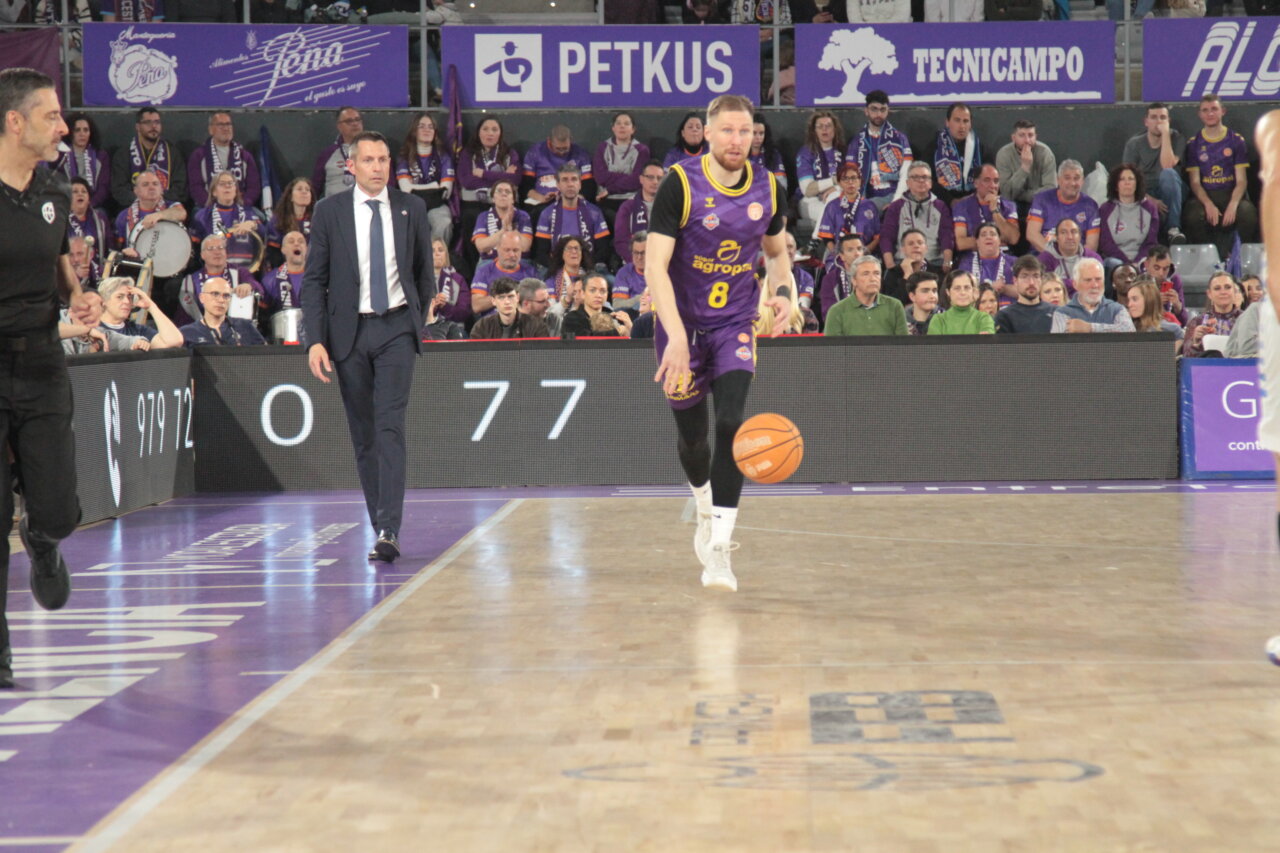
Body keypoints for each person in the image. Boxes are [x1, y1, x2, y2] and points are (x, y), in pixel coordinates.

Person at [648, 94, 789, 593]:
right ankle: (704, 502)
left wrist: (786, 292)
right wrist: (676, 339)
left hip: (735, 323)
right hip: (681, 325)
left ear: (755, 135)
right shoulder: (680, 184)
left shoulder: (770, 188)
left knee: (732, 422)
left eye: (745, 131)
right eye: (727, 131)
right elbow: (654, 268)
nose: (737, 140)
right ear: (706, 134)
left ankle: (721, 549)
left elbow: (776, 254)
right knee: (693, 439)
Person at [0, 69, 96, 688]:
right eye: (51, 116)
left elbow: (64, 271)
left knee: (61, 507)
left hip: (40, 363)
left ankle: (42, 536)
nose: (63, 127)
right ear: (14, 122)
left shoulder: (56, 189)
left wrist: (81, 298)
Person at [302, 130, 434, 563]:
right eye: (370, 160)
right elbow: (315, 281)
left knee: (389, 426)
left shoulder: (412, 208)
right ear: (352, 166)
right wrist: (315, 340)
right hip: (349, 335)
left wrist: (421, 313)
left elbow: (422, 271)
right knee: (364, 437)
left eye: (384, 159)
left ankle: (390, 529)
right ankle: (381, 522)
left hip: (396, 327)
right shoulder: (328, 212)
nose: (378, 167)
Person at [1184, 93, 1259, 259]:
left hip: (1230, 193)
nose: (1210, 113)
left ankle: (1235, 257)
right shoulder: (1194, 143)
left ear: (1222, 111)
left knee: (1247, 212)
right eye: (1205, 110)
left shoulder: (1236, 140)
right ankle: (1206, 259)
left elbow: (1241, 181)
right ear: (1200, 114)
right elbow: (1195, 183)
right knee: (1192, 214)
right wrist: (1208, 204)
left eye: (1214, 109)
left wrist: (1233, 204)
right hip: (1205, 195)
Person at [1121, 102, 1187, 244]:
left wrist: (1165, 135)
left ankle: (1173, 229)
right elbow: (1127, 179)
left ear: (1168, 121)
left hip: (1171, 190)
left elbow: (1167, 165)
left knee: (1168, 174)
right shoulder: (1134, 144)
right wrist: (1148, 198)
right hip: (1144, 192)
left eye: (1163, 117)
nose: (1158, 122)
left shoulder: (1177, 139)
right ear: (1146, 121)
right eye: (1154, 117)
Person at [880, 160, 954, 273]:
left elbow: (947, 236)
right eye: (915, 177)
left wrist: (948, 262)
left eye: (925, 177)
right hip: (902, 261)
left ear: (931, 183)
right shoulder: (896, 207)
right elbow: (886, 237)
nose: (921, 181)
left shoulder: (941, 206)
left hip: (934, 262)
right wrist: (890, 266)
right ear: (908, 182)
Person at [395, 112, 455, 246]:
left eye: (430, 127)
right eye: (421, 126)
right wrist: (434, 186)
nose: (426, 130)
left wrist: (416, 188)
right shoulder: (404, 155)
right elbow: (406, 189)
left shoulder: (444, 157)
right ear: (414, 131)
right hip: (411, 203)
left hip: (437, 204)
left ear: (435, 132)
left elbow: (446, 192)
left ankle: (434, 260)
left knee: (444, 223)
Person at [845, 90, 911, 211]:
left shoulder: (900, 139)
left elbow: (906, 174)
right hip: (865, 198)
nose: (878, 114)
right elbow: (849, 174)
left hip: (896, 195)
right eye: (874, 109)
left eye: (883, 110)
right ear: (866, 111)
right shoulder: (856, 142)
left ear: (888, 111)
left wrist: (896, 202)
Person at [189, 171, 267, 271]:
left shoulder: (249, 213)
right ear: (214, 192)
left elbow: (264, 235)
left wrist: (253, 225)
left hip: (247, 271)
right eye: (222, 184)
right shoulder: (202, 216)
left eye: (231, 183)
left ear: (236, 190)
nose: (227, 186)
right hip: (215, 272)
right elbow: (194, 250)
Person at [178, 234, 263, 325]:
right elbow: (184, 317)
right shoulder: (190, 281)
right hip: (202, 331)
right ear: (202, 255)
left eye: (220, 248)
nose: (217, 252)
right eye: (211, 249)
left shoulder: (239, 273)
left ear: (226, 252)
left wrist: (249, 285)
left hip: (236, 329)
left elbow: (260, 290)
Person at [533, 165, 609, 266]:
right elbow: (542, 252)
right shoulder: (547, 214)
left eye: (574, 179)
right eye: (565, 180)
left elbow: (603, 250)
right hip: (557, 267)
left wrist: (583, 268)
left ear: (580, 184)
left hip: (588, 267)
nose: (570, 184)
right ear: (558, 185)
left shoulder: (594, 212)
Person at [111, 107, 184, 209]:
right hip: (132, 208)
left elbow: (180, 187)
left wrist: (158, 199)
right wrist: (143, 202)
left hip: (165, 208)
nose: (153, 126)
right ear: (138, 126)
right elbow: (119, 189)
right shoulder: (123, 154)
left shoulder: (172, 153)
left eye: (157, 122)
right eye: (148, 122)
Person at [187, 111, 262, 209]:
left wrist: (242, 204)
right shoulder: (199, 156)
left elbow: (254, 188)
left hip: (240, 206)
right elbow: (195, 187)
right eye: (220, 125)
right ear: (211, 130)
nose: (226, 128)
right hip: (207, 207)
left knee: (261, 218)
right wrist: (213, 206)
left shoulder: (244, 156)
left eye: (228, 124)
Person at [1026, 160, 1101, 254]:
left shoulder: (1091, 205)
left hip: (1077, 257)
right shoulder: (1042, 199)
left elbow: (1091, 245)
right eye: (1067, 178)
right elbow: (1032, 234)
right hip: (1043, 254)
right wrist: (1056, 256)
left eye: (1076, 178)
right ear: (1058, 180)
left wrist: (1071, 260)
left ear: (1082, 181)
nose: (1072, 183)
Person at [822, 255, 908, 336]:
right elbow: (833, 350)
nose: (873, 279)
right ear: (854, 280)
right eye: (866, 274)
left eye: (876, 273)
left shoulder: (895, 306)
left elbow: (903, 346)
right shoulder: (837, 311)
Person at [1098, 163, 1160, 272]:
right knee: (1114, 265)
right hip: (1115, 260)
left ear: (1137, 184)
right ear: (1116, 185)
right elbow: (1105, 243)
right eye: (1122, 179)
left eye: (1131, 179)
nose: (1127, 182)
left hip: (1142, 260)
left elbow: (1151, 242)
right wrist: (1127, 264)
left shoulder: (1150, 208)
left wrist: (1137, 262)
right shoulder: (1105, 209)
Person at [1050, 257, 1135, 333]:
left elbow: (1129, 332)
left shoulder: (1117, 309)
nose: (1095, 285)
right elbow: (1057, 347)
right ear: (1075, 284)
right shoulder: (1062, 313)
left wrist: (1090, 328)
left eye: (1098, 279)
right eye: (1088, 280)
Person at [816, 162, 880, 261]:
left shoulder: (870, 206)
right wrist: (839, 256)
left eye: (854, 178)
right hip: (839, 256)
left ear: (860, 181)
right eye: (845, 179)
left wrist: (865, 252)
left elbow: (877, 237)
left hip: (865, 256)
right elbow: (827, 238)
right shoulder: (832, 206)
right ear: (839, 182)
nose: (850, 182)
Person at [96, 276, 184, 348]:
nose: (127, 301)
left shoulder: (138, 330)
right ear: (103, 300)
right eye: (120, 297)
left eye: (130, 297)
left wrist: (151, 306)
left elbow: (175, 341)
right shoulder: (92, 329)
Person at [180, 276, 268, 347]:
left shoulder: (245, 326)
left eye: (226, 296)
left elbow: (266, 358)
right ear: (202, 298)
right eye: (215, 294)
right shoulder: (187, 333)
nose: (221, 300)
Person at [995, 119, 1057, 214]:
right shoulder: (1004, 154)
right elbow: (1007, 194)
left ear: (1036, 137)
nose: (1027, 140)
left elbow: (1050, 190)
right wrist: (1024, 168)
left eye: (1030, 135)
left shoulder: (1045, 153)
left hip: (1040, 204)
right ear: (1013, 138)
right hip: (1012, 204)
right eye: (1022, 135)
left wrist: (1022, 195)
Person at [523, 124, 594, 208]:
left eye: (565, 148)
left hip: (572, 201)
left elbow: (588, 186)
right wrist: (542, 198)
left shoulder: (581, 154)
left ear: (570, 140)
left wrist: (573, 198)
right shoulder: (535, 152)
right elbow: (525, 185)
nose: (562, 152)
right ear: (549, 141)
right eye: (558, 149)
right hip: (541, 201)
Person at [926, 102, 983, 206]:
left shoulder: (979, 149)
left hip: (974, 203)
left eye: (966, 121)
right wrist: (951, 201)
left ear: (970, 124)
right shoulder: (935, 147)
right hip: (941, 204)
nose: (962, 126)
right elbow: (927, 179)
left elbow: (988, 179)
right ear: (947, 122)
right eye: (957, 120)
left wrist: (972, 199)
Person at [953, 163, 1018, 252]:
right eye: (987, 180)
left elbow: (1013, 238)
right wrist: (995, 240)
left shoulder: (1009, 206)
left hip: (1004, 256)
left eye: (996, 181)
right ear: (976, 183)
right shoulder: (962, 206)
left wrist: (995, 210)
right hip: (973, 257)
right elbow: (960, 243)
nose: (993, 186)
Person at [592, 112, 650, 214]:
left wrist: (610, 189)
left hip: (631, 200)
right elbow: (601, 177)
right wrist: (627, 177)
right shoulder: (603, 147)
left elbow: (637, 180)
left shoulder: (642, 150)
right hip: (605, 199)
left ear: (633, 129)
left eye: (626, 124)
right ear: (613, 128)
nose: (622, 126)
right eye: (618, 123)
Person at [796, 110, 845, 227]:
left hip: (838, 197)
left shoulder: (843, 151)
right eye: (820, 126)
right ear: (814, 131)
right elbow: (807, 189)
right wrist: (834, 181)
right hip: (810, 201)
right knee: (830, 214)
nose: (824, 129)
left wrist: (837, 188)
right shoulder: (806, 153)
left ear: (835, 129)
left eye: (828, 126)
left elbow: (853, 182)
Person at [472, 230, 537, 316]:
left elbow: (538, 304)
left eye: (516, 250)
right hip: (493, 323)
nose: (512, 255)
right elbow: (477, 306)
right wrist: (506, 294)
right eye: (507, 250)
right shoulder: (484, 271)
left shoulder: (531, 272)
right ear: (498, 249)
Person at [52, 112, 109, 208]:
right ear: (70, 133)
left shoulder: (100, 156)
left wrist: (90, 204)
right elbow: (56, 184)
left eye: (86, 130)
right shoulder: (60, 156)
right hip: (65, 206)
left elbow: (103, 187)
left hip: (94, 206)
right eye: (77, 130)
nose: (82, 134)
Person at [470, 179, 531, 264]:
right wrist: (504, 230)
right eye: (499, 191)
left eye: (508, 191)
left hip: (518, 261)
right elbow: (481, 247)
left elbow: (525, 247)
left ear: (513, 199)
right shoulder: (483, 216)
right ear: (493, 199)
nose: (503, 194)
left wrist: (511, 227)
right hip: (489, 261)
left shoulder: (523, 216)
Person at [1037, 218, 1103, 296]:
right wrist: (1076, 283)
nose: (1070, 237)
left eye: (1074, 232)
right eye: (1064, 232)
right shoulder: (1045, 259)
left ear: (1079, 236)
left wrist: (1064, 282)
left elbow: (1095, 285)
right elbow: (1047, 286)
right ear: (1057, 238)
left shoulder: (1093, 258)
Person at [1183, 271, 1243, 357]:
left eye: (1228, 287)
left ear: (1234, 291)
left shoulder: (1246, 320)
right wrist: (1195, 343)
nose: (1223, 292)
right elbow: (1187, 361)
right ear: (1209, 294)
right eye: (1217, 288)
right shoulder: (1197, 322)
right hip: (1207, 369)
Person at [614, 161, 662, 266]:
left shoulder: (670, 206)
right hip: (634, 265)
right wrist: (638, 263)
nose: (655, 182)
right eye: (650, 177)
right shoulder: (627, 207)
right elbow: (621, 242)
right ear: (641, 179)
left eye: (659, 178)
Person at [958, 222, 1017, 305]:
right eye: (983, 235)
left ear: (1000, 240)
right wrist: (990, 288)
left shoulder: (1014, 262)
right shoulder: (966, 264)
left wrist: (1004, 289)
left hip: (1007, 311)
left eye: (992, 234)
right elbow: (961, 294)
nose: (988, 237)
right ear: (977, 241)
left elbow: (1025, 291)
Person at [469, 276, 548, 338]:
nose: (507, 302)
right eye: (501, 297)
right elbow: (475, 356)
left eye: (510, 296)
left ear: (517, 297)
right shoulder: (482, 327)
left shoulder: (536, 325)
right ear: (493, 301)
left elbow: (542, 355)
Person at [312, 106, 364, 199]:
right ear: (339, 126)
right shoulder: (327, 154)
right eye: (349, 121)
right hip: (334, 209)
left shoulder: (375, 151)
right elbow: (314, 189)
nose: (355, 124)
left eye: (357, 120)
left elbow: (388, 183)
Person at [995, 255, 1055, 334]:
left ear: (1042, 279)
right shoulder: (1004, 316)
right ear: (1015, 281)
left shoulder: (1056, 313)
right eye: (1024, 276)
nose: (1031, 283)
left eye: (1036, 276)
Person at [561, 274, 632, 339]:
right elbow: (585, 341)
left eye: (603, 291)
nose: (598, 295)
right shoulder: (571, 319)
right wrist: (617, 332)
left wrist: (631, 329)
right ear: (583, 293)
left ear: (607, 294)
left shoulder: (614, 317)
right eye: (592, 290)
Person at [265, 177, 314, 269]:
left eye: (307, 190)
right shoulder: (278, 220)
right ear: (291, 196)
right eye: (299, 189)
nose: (304, 192)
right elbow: (274, 254)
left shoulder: (317, 220)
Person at [928, 270, 995, 335]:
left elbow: (986, 344)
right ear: (948, 292)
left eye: (967, 288)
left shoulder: (983, 318)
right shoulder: (939, 320)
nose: (963, 292)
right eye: (957, 288)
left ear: (973, 290)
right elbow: (935, 346)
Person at [260, 229, 307, 321]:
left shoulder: (318, 277)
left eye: (301, 242)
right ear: (283, 249)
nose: (297, 244)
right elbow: (263, 316)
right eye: (291, 241)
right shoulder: (270, 280)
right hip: (283, 332)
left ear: (306, 248)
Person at [878, 228, 933, 306]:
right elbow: (891, 305)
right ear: (903, 250)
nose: (916, 246)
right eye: (911, 244)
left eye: (920, 243)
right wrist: (906, 276)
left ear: (926, 248)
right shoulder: (892, 273)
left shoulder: (937, 272)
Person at [816, 232, 863, 322]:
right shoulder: (830, 279)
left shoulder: (873, 275)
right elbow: (828, 314)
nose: (857, 253)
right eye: (850, 250)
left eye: (859, 249)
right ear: (842, 256)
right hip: (841, 330)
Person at [67, 177, 111, 264]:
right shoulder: (61, 219)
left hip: (96, 269)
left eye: (84, 191)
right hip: (69, 269)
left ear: (89, 199)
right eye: (75, 192)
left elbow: (109, 247)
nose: (80, 194)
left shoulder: (100, 219)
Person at [1140, 244, 1187, 326]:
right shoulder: (1139, 281)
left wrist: (1177, 306)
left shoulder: (1175, 280)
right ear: (1146, 265)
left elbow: (1183, 322)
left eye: (1165, 268)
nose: (1161, 273)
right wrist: (1155, 304)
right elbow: (1135, 318)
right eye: (1156, 268)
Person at [430, 237, 469, 329]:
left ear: (446, 255)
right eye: (432, 251)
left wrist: (445, 307)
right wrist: (432, 308)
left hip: (453, 329)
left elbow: (464, 311)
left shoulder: (458, 279)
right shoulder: (420, 279)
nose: (437, 253)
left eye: (440, 250)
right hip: (427, 329)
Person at [748, 116, 788, 194]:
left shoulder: (773, 154)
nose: (758, 138)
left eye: (761, 133)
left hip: (768, 196)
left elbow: (782, 184)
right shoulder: (739, 154)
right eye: (754, 133)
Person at [612, 231, 648, 310]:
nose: (639, 257)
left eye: (643, 253)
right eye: (635, 253)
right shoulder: (624, 273)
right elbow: (617, 305)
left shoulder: (662, 271)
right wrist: (641, 298)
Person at [905, 270, 942, 335]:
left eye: (934, 291)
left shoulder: (946, 319)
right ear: (912, 296)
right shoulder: (901, 322)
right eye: (925, 291)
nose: (932, 296)